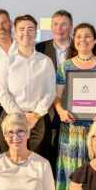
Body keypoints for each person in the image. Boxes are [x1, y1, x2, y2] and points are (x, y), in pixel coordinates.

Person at [54, 23, 96, 190]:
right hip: (71, 129)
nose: (83, 40)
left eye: (87, 36)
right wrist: (61, 111)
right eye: (79, 36)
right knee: (74, 173)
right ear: (74, 40)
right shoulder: (65, 66)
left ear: (95, 40)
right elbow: (57, 97)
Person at [0, 14, 56, 157]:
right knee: (11, 163)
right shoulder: (6, 62)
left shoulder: (45, 61)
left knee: (36, 163)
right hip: (11, 118)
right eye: (21, 29)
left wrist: (34, 115)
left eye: (30, 29)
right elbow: (1, 91)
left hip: (37, 120)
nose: (26, 33)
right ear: (15, 33)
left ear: (36, 33)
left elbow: (50, 92)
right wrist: (18, 115)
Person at [36, 9, 74, 171]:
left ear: (71, 27)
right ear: (51, 27)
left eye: (64, 24)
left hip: (75, 111)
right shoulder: (39, 48)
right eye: (56, 24)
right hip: (47, 114)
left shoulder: (79, 48)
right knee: (49, 159)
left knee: (70, 160)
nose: (59, 28)